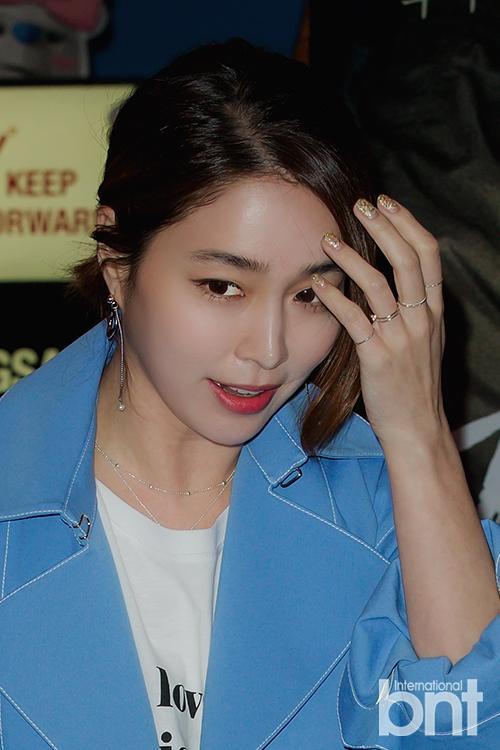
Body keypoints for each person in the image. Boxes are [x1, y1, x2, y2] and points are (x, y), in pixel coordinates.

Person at [0, 37, 498, 750]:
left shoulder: (388, 512)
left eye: (310, 295)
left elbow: (466, 736)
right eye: (222, 286)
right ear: (116, 260)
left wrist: (419, 437)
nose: (268, 350)